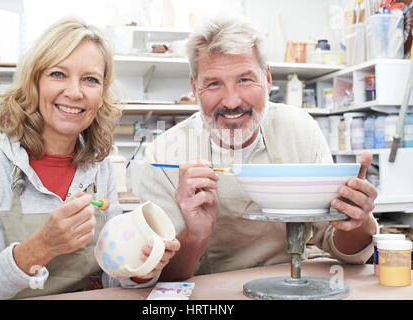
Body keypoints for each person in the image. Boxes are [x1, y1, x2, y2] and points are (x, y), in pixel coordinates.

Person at [134, 15, 378, 281]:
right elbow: (160, 277)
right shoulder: (163, 155)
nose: (231, 101)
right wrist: (195, 234)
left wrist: (357, 219)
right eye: (214, 83)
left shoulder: (300, 131)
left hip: (293, 284)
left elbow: (342, 247)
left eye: (245, 80)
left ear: (268, 78)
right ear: (195, 88)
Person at [0, 16, 179, 299]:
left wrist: (141, 268)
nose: (75, 92)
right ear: (34, 82)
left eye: (90, 79)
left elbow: (111, 278)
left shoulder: (98, 167)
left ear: (101, 94)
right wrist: (41, 247)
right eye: (58, 74)